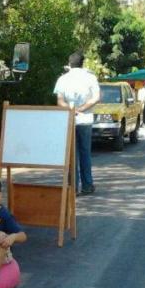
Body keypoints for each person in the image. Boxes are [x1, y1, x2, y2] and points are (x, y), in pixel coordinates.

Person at [53, 51, 100, 195]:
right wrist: (82, 109)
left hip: (69, 120)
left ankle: (73, 188)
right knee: (85, 153)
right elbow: (96, 98)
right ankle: (87, 185)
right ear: (82, 63)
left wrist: (72, 110)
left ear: (69, 63)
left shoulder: (63, 79)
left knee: (72, 155)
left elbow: (60, 101)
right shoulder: (91, 77)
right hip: (85, 120)